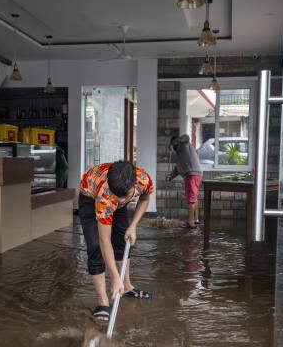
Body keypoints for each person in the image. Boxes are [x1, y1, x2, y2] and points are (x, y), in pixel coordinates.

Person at [78, 160, 154, 323]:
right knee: (95, 247)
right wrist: (114, 278)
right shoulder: (106, 195)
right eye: (116, 196)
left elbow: (145, 198)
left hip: (112, 196)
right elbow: (104, 240)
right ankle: (103, 301)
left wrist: (133, 225)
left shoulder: (144, 179)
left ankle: (127, 287)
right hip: (90, 197)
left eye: (123, 197)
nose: (119, 201)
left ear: (134, 183)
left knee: (122, 241)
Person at [166, 134, 203, 228]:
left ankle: (191, 223)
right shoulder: (180, 154)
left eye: (174, 146)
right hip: (194, 174)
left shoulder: (184, 144)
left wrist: (172, 143)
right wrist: (171, 176)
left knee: (191, 198)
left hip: (192, 174)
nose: (173, 148)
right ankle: (196, 219)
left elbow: (186, 137)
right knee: (193, 197)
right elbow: (177, 169)